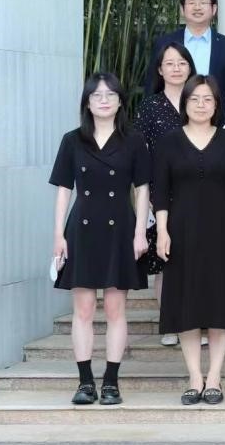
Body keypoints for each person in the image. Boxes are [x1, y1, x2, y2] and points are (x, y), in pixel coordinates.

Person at [49, 73, 150, 405]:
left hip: (121, 228)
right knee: (83, 309)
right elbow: (64, 190)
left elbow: (143, 189)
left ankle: (111, 382)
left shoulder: (134, 140)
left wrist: (140, 233)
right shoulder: (72, 140)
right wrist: (58, 235)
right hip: (82, 228)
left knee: (116, 308)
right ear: (87, 103)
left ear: (120, 101)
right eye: (96, 95)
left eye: (110, 95)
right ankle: (85, 382)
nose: (103, 100)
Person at [153, 75, 225, 405]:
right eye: (194, 98)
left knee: (220, 302)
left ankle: (215, 377)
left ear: (216, 105)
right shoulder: (169, 141)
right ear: (185, 103)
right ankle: (195, 376)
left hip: (222, 230)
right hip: (180, 231)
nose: (200, 104)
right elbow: (160, 193)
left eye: (207, 99)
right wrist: (162, 231)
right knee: (187, 304)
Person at [135, 41, 195, 347]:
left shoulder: (200, 100)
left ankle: (195, 322)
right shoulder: (150, 106)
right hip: (161, 192)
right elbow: (139, 153)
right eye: (169, 63)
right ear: (160, 70)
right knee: (166, 261)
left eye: (182, 63)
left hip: (198, 190)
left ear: (190, 67)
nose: (176, 69)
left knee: (195, 260)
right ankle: (170, 322)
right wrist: (144, 198)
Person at [144, 0, 225, 104]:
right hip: (171, 113)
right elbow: (152, 85)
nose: (197, 7)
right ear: (182, 9)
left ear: (214, 9)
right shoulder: (164, 43)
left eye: (203, 3)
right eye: (191, 3)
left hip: (216, 114)